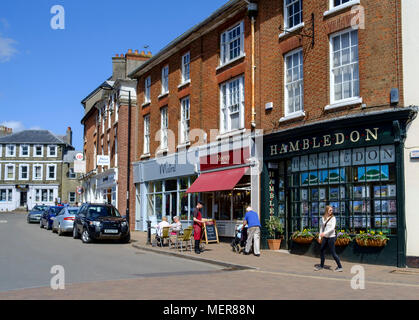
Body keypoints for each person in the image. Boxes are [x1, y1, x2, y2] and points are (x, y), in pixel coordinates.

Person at [315, 205, 343, 272]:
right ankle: (321, 266)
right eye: (330, 210)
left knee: (333, 253)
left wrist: (324, 233)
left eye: (332, 210)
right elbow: (321, 228)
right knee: (322, 251)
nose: (331, 211)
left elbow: (332, 228)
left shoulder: (333, 218)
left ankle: (340, 267)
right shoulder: (323, 218)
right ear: (326, 210)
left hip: (331, 237)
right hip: (325, 237)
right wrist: (319, 237)